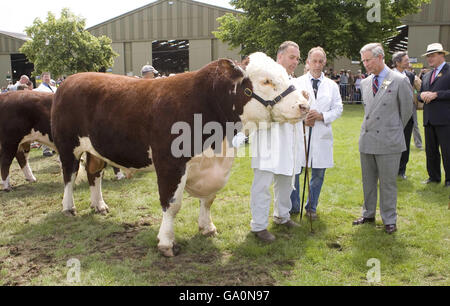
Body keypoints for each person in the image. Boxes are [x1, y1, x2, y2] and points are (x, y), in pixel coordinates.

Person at [354, 43, 413, 234]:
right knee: (368, 180)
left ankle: (389, 219)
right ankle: (368, 213)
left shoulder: (399, 80)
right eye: (363, 61)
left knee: (388, 183)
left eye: (368, 60)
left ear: (380, 57)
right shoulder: (365, 82)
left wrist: (391, 130)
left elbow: (406, 112)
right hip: (368, 139)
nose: (365, 65)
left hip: (389, 141)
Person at [249, 41, 302, 243]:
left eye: (297, 58)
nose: (295, 62)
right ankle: (259, 225)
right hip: (267, 138)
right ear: (279, 57)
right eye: (291, 57)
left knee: (286, 181)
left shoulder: (296, 82)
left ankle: (282, 215)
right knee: (262, 183)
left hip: (289, 139)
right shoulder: (265, 80)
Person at [291, 47, 343, 220]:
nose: (317, 64)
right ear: (308, 61)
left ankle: (311, 207)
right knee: (296, 171)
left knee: (318, 174)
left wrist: (322, 116)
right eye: (314, 61)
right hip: (301, 134)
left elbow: (338, 108)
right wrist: (303, 118)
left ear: (325, 62)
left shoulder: (332, 86)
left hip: (321, 134)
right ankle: (294, 206)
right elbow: (290, 108)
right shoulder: (297, 83)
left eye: (321, 61)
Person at [418, 43, 450, 188]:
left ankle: (449, 180)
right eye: (428, 56)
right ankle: (434, 176)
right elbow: (419, 95)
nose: (430, 58)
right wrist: (421, 95)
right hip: (429, 118)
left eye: (433, 55)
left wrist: (437, 94)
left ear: (442, 55)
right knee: (431, 150)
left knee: (447, 150)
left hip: (445, 118)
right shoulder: (427, 75)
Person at [392, 51, 417, 179]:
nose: (409, 62)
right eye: (406, 60)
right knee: (392, 144)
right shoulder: (389, 76)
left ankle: (402, 170)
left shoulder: (410, 75)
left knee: (405, 143)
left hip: (408, 115)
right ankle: (392, 168)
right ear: (397, 62)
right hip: (393, 116)